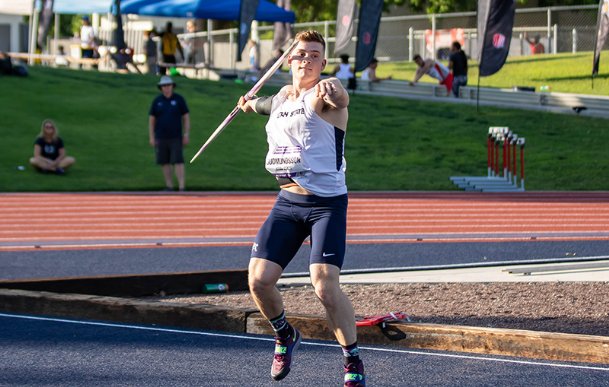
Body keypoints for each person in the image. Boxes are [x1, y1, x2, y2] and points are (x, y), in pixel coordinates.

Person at [237, 30, 366, 387]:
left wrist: (336, 91)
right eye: (301, 54)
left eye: (314, 55)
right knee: (258, 281)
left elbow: (340, 98)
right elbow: (266, 105)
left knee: (324, 287)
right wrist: (249, 102)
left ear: (322, 63)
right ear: (288, 60)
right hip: (288, 203)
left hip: (326, 205)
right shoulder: (280, 97)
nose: (306, 59)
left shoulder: (324, 94)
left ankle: (352, 359)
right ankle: (284, 335)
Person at [148, 76, 190, 191]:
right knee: (164, 162)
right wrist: (152, 137)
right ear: (161, 88)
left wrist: (186, 134)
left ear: (172, 86)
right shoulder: (157, 101)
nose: (166, 88)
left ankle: (182, 186)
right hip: (161, 136)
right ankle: (169, 185)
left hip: (176, 136)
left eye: (168, 85)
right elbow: (152, 120)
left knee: (178, 161)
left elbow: (186, 117)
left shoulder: (179, 99)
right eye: (164, 86)